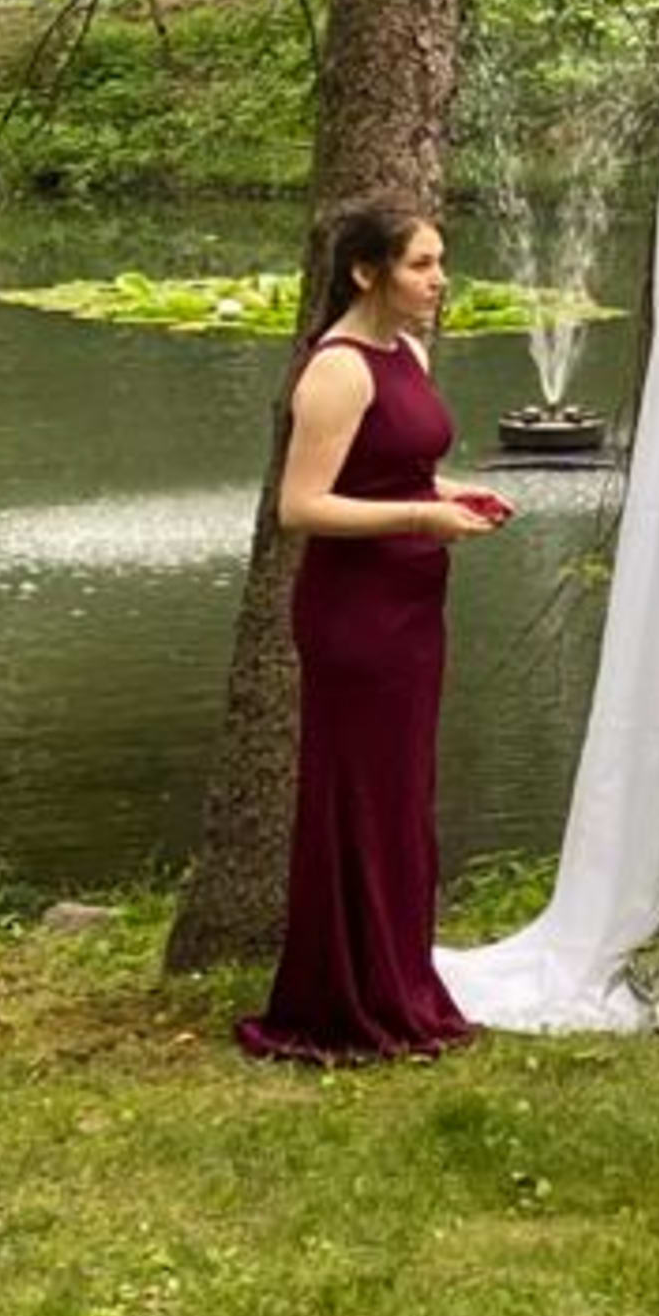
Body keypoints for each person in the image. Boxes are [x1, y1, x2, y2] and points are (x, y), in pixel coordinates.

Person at [238, 206, 508, 1063]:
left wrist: (450, 495)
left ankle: (399, 979)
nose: (439, 280)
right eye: (422, 265)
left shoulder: (409, 355)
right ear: (366, 272)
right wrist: (421, 518)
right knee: (357, 799)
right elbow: (301, 506)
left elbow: (402, 467)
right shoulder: (337, 370)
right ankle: (343, 998)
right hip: (354, 617)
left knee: (400, 799)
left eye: (440, 263)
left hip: (412, 609)